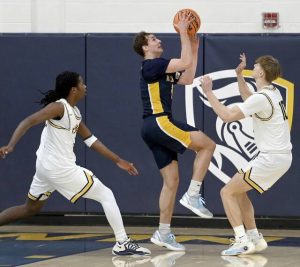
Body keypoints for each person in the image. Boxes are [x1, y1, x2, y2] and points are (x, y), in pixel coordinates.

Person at [0, 71, 151, 256]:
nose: (85, 86)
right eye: (82, 84)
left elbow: (91, 140)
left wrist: (119, 160)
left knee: (30, 208)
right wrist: (11, 145)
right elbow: (29, 121)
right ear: (74, 90)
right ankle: (122, 243)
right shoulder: (59, 107)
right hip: (59, 169)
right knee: (106, 194)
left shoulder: (74, 113)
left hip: (45, 168)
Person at [133, 11, 216, 251]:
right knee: (207, 145)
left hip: (152, 127)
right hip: (159, 122)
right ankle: (193, 194)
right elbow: (185, 62)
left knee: (171, 182)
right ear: (145, 47)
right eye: (153, 39)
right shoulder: (151, 65)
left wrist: (194, 45)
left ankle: (163, 233)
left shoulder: (161, 68)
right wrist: (182, 32)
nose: (158, 40)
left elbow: (188, 77)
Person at [201, 53, 292, 256]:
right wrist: (239, 75)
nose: (253, 68)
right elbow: (248, 100)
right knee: (239, 192)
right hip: (279, 157)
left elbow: (226, 116)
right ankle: (255, 238)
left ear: (260, 72)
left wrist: (209, 92)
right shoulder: (272, 92)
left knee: (227, 192)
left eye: (254, 66)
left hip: (271, 157)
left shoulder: (262, 97)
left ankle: (241, 241)